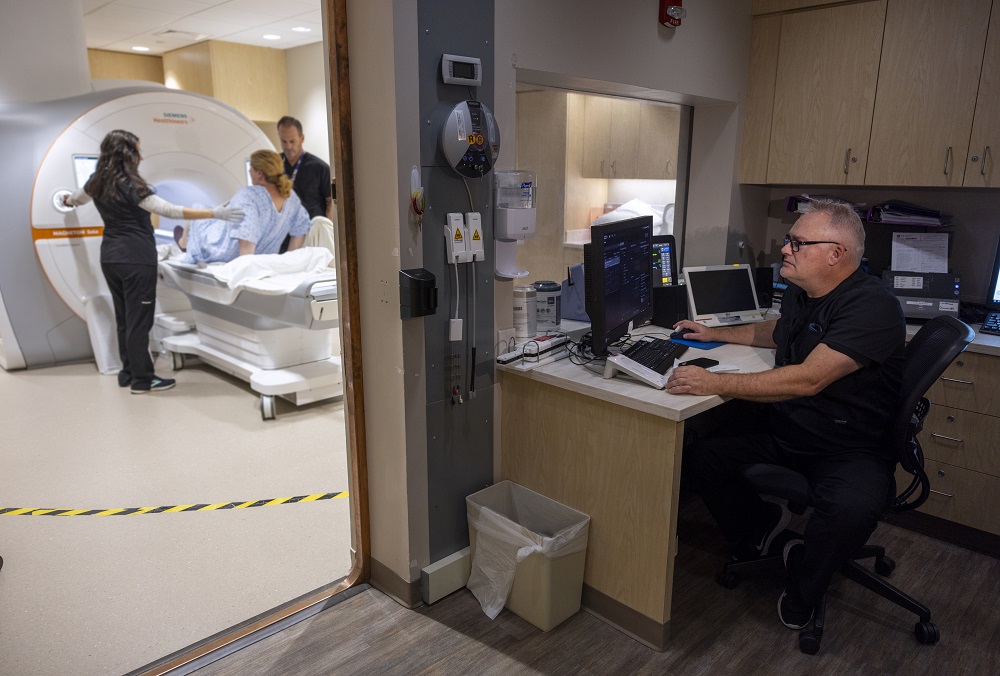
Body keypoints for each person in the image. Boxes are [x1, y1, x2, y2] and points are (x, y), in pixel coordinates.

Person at [665, 198, 905, 631]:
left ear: (837, 254)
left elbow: (807, 380)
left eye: (798, 243)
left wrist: (715, 382)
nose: (785, 250)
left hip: (849, 446)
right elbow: (776, 332)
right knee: (703, 455)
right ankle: (759, 527)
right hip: (792, 426)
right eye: (788, 241)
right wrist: (714, 332)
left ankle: (802, 593)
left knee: (850, 509)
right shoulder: (803, 292)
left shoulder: (873, 307)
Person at [63, 129, 244, 395]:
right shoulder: (133, 186)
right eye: (138, 150)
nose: (142, 155)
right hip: (137, 259)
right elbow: (170, 210)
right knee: (139, 322)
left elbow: (75, 199)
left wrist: (66, 200)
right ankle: (143, 381)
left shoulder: (96, 182)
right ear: (128, 154)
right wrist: (214, 212)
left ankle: (127, 374)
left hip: (111, 258)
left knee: (125, 319)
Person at [177, 149, 311, 264]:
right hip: (265, 258)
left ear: (259, 173)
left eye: (251, 169)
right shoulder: (291, 197)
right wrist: (288, 263)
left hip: (224, 253)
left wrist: (246, 276)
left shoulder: (248, 195)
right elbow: (300, 230)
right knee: (212, 211)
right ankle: (184, 242)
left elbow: (246, 245)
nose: (250, 172)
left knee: (198, 209)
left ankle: (184, 243)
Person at [277, 115, 332, 221]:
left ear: (302, 138)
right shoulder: (274, 165)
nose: (288, 146)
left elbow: (331, 202)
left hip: (312, 231)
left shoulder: (319, 168)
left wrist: (327, 229)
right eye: (284, 141)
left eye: (292, 141)